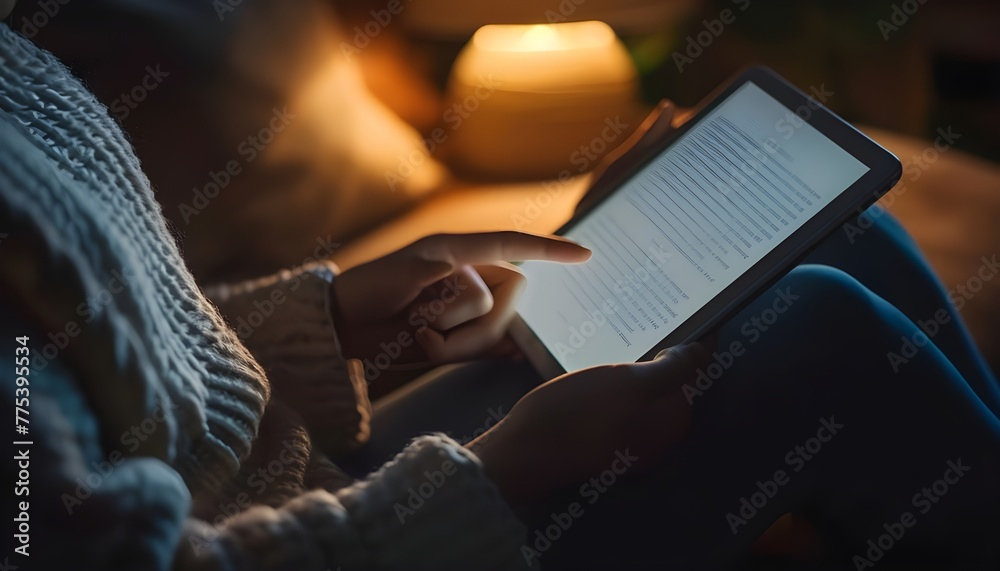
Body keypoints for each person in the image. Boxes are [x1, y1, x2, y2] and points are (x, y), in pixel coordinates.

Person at [2, 5, 999, 570]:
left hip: (305, 480)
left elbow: (110, 340)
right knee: (820, 320)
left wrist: (336, 311)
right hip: (367, 538)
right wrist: (512, 465)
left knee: (848, 233)